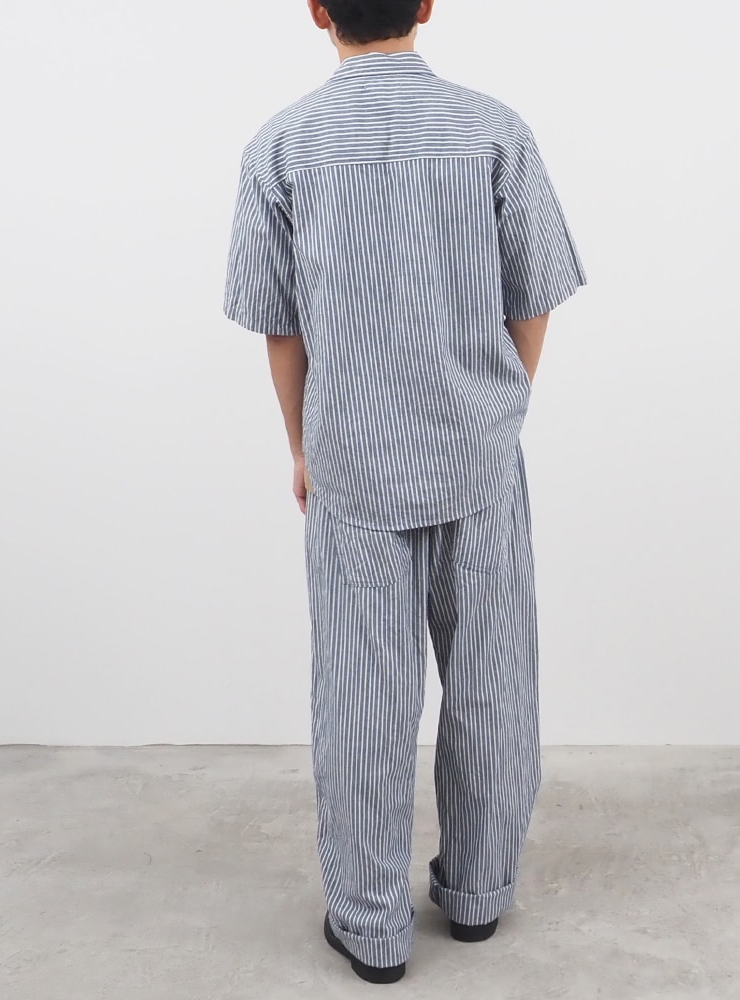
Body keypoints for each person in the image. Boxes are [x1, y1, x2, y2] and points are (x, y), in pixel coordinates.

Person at [223, 0, 586, 985]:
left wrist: (302, 446)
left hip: (353, 463)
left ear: (316, 10)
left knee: (361, 700)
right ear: (427, 5)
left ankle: (371, 925)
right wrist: (497, 407)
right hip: (478, 459)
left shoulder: (281, 147)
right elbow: (533, 296)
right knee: (491, 685)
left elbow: (280, 327)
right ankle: (477, 897)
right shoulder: (494, 131)